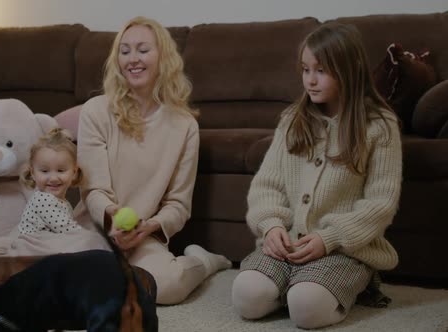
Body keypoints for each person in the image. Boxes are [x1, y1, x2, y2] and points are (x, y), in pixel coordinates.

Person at [231, 23, 402, 329]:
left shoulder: (380, 125)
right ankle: (296, 283)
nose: (309, 80)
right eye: (305, 69)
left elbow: (381, 202)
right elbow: (266, 186)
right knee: (247, 298)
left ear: (350, 70)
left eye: (320, 70)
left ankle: (348, 282)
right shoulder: (292, 120)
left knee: (306, 308)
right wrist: (270, 226)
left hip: (343, 248)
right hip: (288, 244)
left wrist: (330, 237)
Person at [73, 16, 232, 305]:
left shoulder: (184, 125)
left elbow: (179, 205)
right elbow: (92, 189)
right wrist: (112, 221)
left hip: (143, 234)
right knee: (76, 285)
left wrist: (149, 227)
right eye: (125, 51)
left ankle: (204, 262)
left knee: (166, 287)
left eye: (143, 50)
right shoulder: (95, 111)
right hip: (95, 227)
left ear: (163, 57)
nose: (133, 59)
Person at [0, 128, 108, 256]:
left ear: (74, 172)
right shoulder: (43, 200)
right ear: (33, 173)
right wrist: (101, 241)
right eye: (44, 171)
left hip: (41, 246)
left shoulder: (63, 202)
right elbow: (69, 232)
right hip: (27, 253)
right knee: (91, 242)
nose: (53, 178)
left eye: (61, 170)